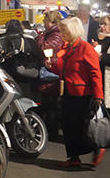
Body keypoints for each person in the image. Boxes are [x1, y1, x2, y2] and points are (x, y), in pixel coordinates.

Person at [44, 17, 104, 167]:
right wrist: (50, 66)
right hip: (66, 91)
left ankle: (96, 148)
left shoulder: (85, 48)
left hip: (81, 94)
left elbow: (95, 73)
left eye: (64, 30)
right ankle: (73, 157)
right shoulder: (66, 48)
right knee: (67, 125)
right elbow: (62, 70)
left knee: (80, 126)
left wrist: (98, 95)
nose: (61, 33)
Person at [36, 10, 66, 140]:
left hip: (52, 72)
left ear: (51, 22)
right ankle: (49, 130)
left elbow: (44, 47)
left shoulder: (55, 34)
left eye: (45, 20)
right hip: (51, 70)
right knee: (48, 104)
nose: (43, 22)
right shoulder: (54, 33)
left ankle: (51, 131)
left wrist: (40, 36)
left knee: (50, 104)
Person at [0, 19, 41, 97]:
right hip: (25, 77)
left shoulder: (1, 40)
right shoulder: (29, 40)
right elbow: (37, 55)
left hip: (6, 75)